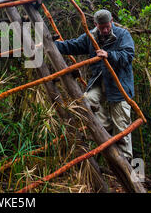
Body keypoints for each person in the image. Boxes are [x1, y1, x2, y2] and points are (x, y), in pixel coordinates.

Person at [54, 9, 135, 161]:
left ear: (111, 22)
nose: (105, 30)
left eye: (107, 26)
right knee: (86, 101)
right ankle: (106, 126)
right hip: (99, 80)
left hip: (119, 86)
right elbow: (73, 46)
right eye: (101, 27)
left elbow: (128, 55)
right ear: (96, 24)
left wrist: (109, 55)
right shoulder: (91, 36)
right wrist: (51, 44)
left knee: (122, 126)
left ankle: (127, 162)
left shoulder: (123, 35)